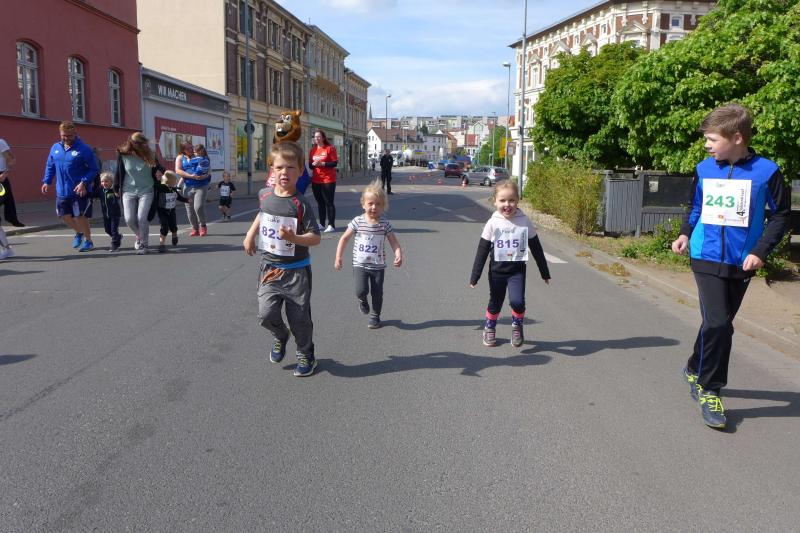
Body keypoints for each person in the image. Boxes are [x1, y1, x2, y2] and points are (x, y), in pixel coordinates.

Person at [671, 103, 791, 430]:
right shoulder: (704, 168)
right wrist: (684, 233)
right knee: (720, 323)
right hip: (705, 254)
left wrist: (760, 251)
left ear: (737, 137)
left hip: (742, 261)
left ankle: (695, 366)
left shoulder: (767, 171)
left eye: (712, 139)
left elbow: (781, 215)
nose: (706, 145)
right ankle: (710, 389)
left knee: (717, 323)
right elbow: (695, 206)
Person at [243, 141, 321, 377]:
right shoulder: (265, 194)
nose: (284, 172)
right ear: (272, 170)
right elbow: (262, 213)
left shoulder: (301, 203)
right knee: (265, 314)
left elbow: (315, 238)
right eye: (279, 167)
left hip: (296, 271)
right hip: (270, 268)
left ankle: (306, 354)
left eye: (290, 167)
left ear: (300, 171)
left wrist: (293, 238)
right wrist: (250, 234)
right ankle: (280, 335)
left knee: (300, 319)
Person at [470, 180, 551, 348]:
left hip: (517, 271)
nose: (507, 204)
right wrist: (475, 276)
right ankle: (489, 328)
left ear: (518, 200)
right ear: (495, 201)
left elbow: (536, 248)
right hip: (497, 272)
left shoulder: (524, 221)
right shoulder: (493, 222)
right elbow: (482, 250)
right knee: (495, 302)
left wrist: (544, 272)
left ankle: (517, 326)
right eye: (502, 200)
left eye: (511, 200)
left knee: (518, 302)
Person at [334, 181, 403, 329]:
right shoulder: (357, 221)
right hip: (360, 264)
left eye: (378, 204)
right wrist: (338, 257)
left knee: (377, 293)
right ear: (363, 204)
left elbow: (394, 242)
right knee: (361, 290)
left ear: (383, 206)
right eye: (370, 203)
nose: (374, 207)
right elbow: (344, 238)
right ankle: (362, 300)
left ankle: (375, 317)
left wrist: (398, 254)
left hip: (378, 266)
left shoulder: (385, 224)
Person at [41, 121, 98, 252]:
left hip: (78, 190)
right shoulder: (55, 147)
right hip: (62, 190)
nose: (66, 138)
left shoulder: (84, 149)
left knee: (80, 216)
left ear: (75, 134)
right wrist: (47, 181)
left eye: (69, 136)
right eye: (63, 135)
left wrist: (84, 182)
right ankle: (79, 232)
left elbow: (93, 169)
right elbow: (50, 166)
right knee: (64, 216)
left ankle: (88, 241)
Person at [114, 132, 164, 255]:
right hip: (128, 190)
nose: (137, 146)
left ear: (143, 143)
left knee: (142, 218)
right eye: (134, 143)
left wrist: (159, 172)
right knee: (129, 219)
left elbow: (160, 167)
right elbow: (118, 172)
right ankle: (139, 236)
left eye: (139, 144)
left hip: (146, 190)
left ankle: (144, 245)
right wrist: (116, 187)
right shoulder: (123, 155)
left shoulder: (151, 154)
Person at [174, 142, 211, 236]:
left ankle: (203, 225)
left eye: (191, 147)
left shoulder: (197, 155)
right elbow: (178, 170)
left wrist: (205, 175)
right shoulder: (180, 157)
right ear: (183, 150)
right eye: (188, 148)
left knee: (198, 207)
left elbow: (209, 168)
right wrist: (190, 176)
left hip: (201, 185)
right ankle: (195, 228)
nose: (191, 150)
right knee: (189, 210)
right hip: (188, 186)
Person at [309, 129, 338, 233]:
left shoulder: (330, 148)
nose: (316, 138)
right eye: (315, 137)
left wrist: (322, 164)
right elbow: (310, 166)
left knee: (329, 202)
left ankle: (331, 225)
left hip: (328, 180)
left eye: (319, 137)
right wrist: (313, 164)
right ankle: (321, 224)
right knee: (320, 203)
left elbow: (334, 163)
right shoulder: (313, 150)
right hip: (316, 180)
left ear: (323, 138)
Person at [155, 171, 189, 253]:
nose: (174, 184)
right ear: (168, 182)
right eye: (173, 182)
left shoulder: (173, 189)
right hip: (162, 210)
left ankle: (174, 236)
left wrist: (187, 200)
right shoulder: (161, 187)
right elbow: (156, 184)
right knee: (164, 226)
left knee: (173, 225)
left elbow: (179, 197)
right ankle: (161, 244)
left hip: (171, 210)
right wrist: (159, 177)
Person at [94, 171, 122, 252]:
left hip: (115, 214)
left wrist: (118, 192)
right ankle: (118, 237)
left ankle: (115, 245)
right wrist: (86, 193)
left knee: (113, 230)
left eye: (106, 181)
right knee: (107, 230)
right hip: (105, 214)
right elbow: (93, 194)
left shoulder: (114, 190)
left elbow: (119, 195)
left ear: (111, 182)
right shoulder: (100, 190)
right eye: (102, 181)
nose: (104, 183)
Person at [0, 138, 24, 227]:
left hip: (1, 176)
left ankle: (12, 219)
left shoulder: (0, 142)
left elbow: (11, 159)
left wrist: (5, 173)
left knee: (7, 198)